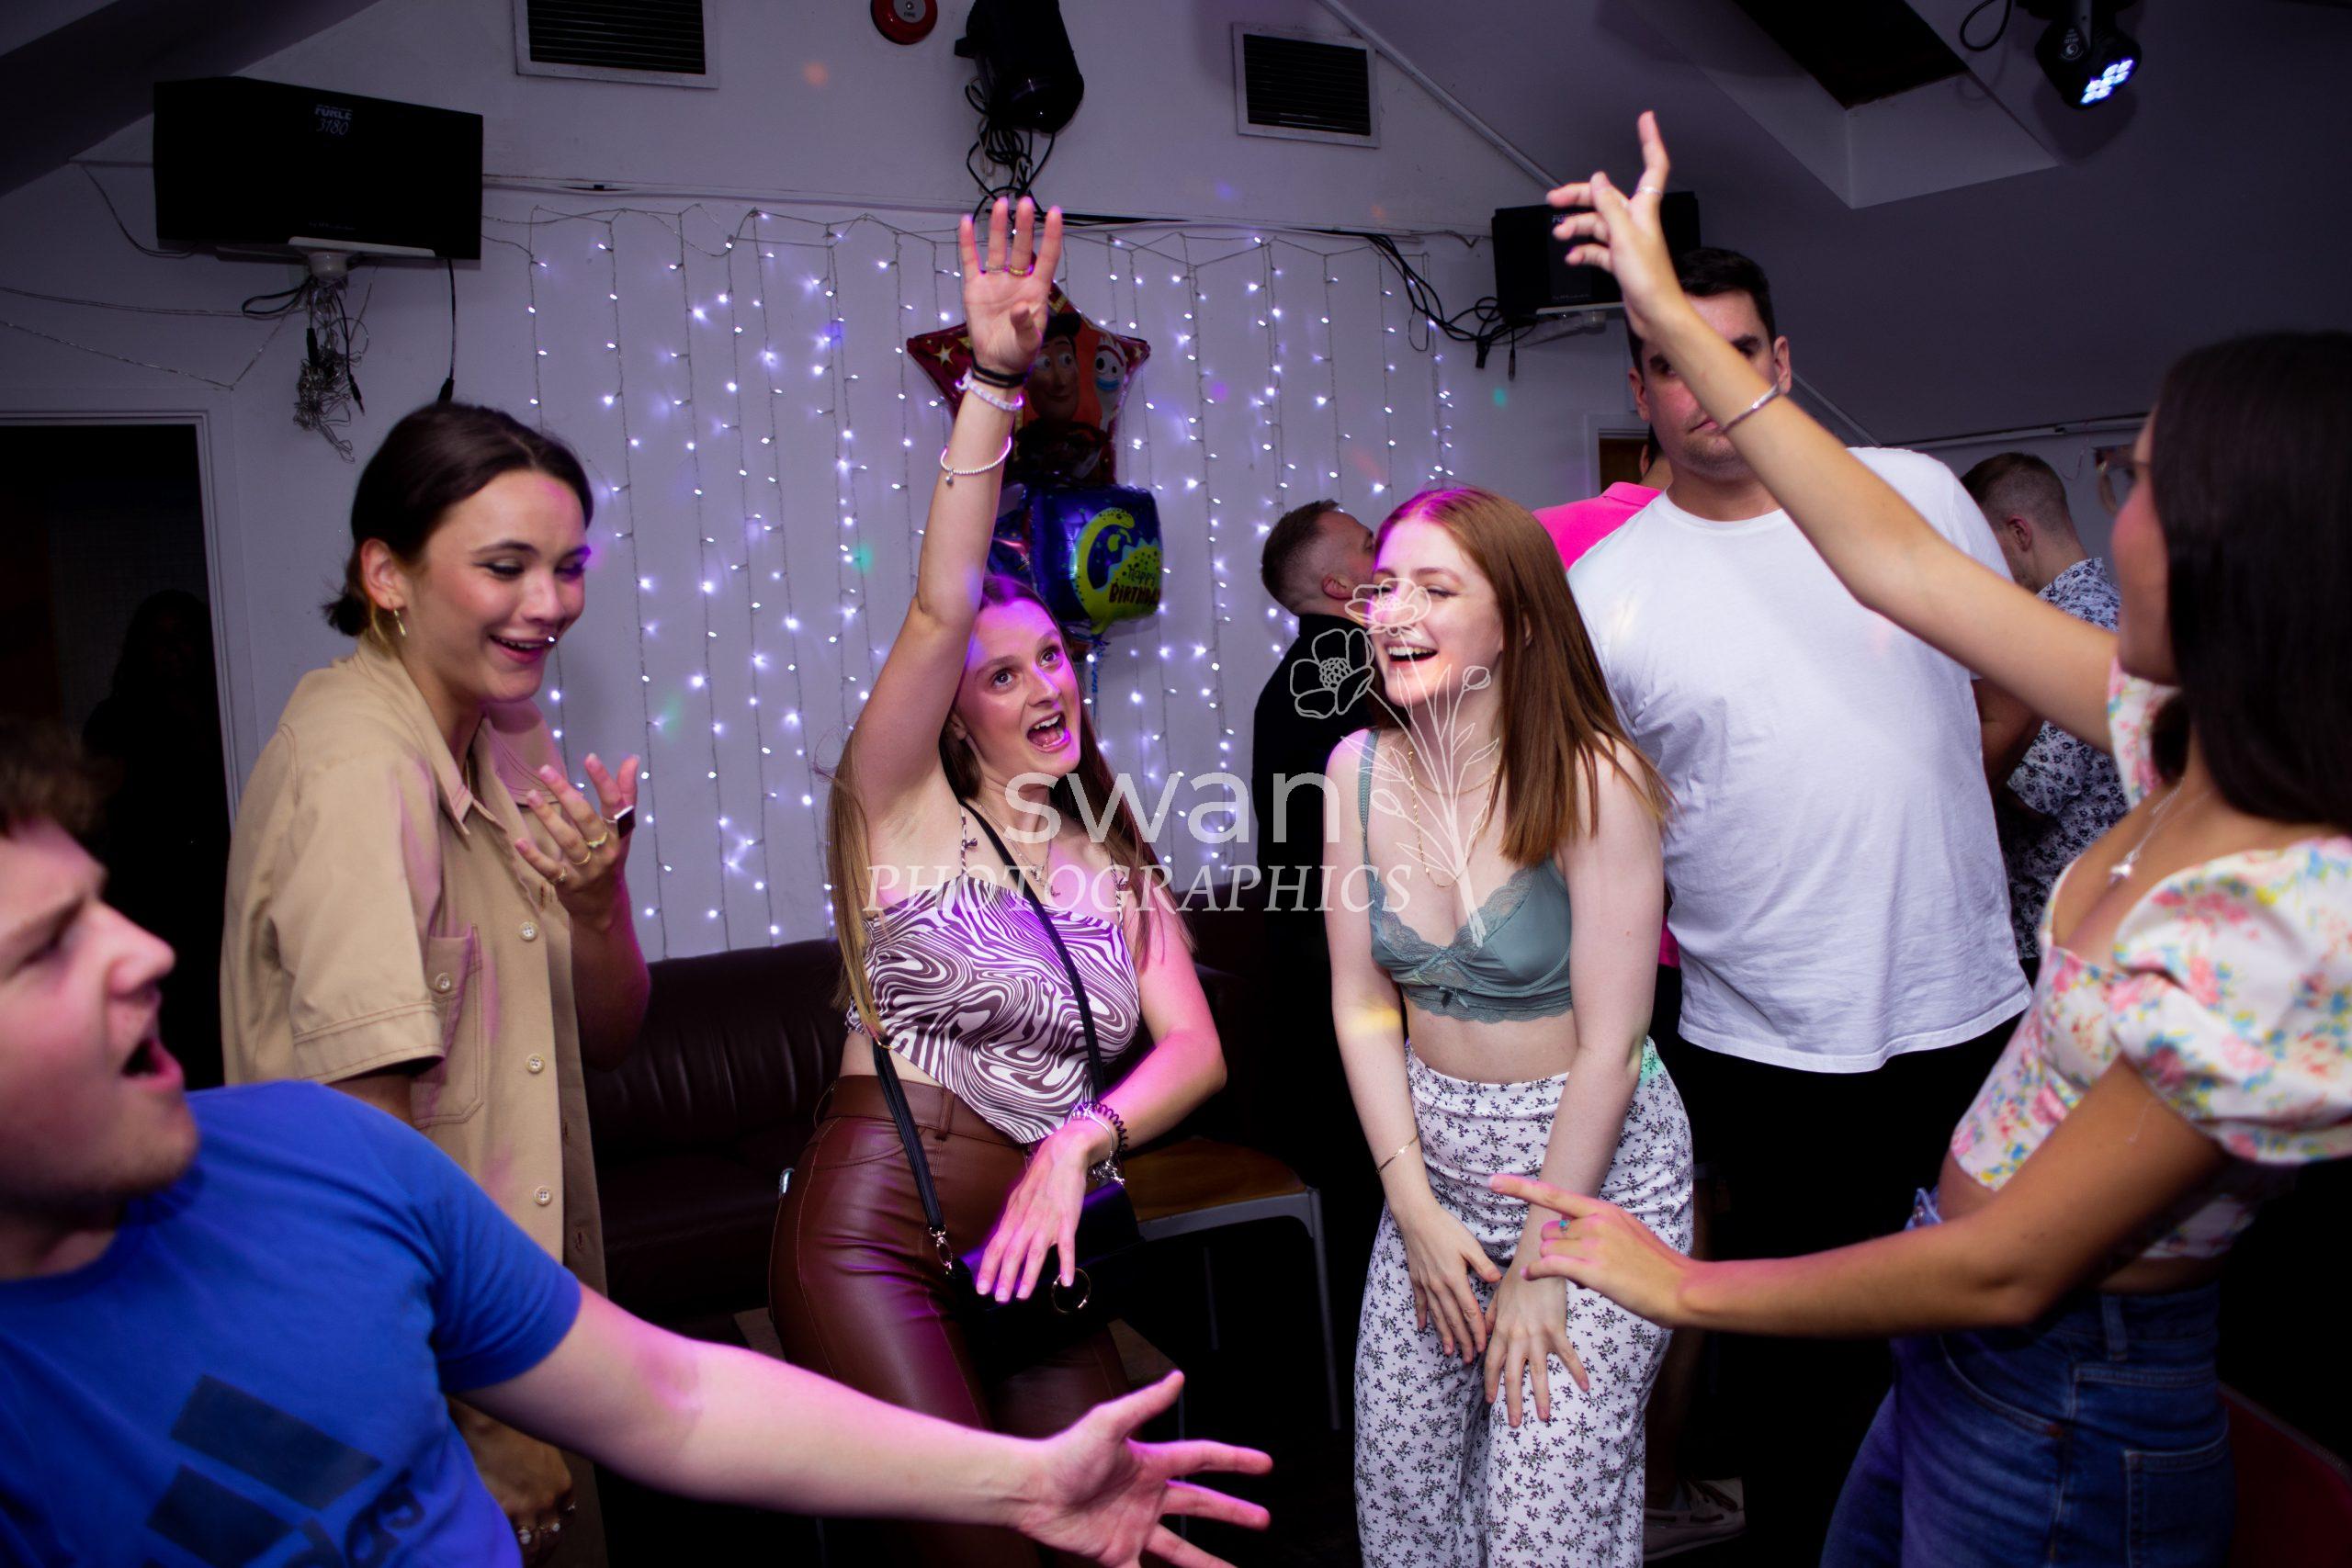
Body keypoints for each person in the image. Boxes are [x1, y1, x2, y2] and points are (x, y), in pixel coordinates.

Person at [1508, 111, 2352, 1568]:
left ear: (2245, 547)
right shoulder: (2184, 729)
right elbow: (1892, 558)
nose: (2111, 521)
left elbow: (2011, 1268)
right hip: (1955, 1367)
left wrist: (1680, 1283)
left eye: (2141, 483)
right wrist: (1666, 312)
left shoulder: (2292, 906)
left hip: (2065, 1403)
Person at [0, 719, 1274, 1567]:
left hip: (1034, 1246)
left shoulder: (324, 1152)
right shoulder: (911, 830)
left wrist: (1026, 1480)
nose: (146, 951)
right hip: (892, 1207)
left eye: (102, 906)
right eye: (46, 946)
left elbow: (674, 1396)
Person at [773, 197, 1230, 1568]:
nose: (1046, 684)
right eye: (1003, 673)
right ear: (954, 715)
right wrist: (993, 381)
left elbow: (1196, 1046)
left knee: (1103, 1537)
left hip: (1044, 1244)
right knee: (979, 1553)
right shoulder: (898, 811)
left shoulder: (1112, 856)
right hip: (878, 1232)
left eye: (1053, 658)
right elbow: (940, 601)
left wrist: (1082, 1141)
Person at [1562, 240, 2030, 1555]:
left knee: (1999, 1358)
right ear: (1641, 389)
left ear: (1781, 359)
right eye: (1672, 361)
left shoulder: (1911, 493)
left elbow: (2010, 684)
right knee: (1805, 1397)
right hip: (1765, 1043)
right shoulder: (1605, 592)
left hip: (1968, 1012)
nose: (1706, 385)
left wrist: (1922, 822)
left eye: (1733, 352)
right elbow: (1606, 828)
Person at [220, 401, 650, 1558]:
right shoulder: (359, 767)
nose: (548, 603)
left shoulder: (506, 742)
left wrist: (598, 904)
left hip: (523, 1332)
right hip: (423, 1376)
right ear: (386, 575)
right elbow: (361, 1150)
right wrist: (480, 1419)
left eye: (568, 567)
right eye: (505, 567)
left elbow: (608, 1038)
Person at [1324, 486, 1692, 1567]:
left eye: (1436, 590)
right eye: (1385, 588)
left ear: (1518, 624)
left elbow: (1610, 1047)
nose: (1396, 613)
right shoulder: (1354, 772)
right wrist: (1412, 1209)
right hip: (1430, 1179)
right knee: (1407, 1507)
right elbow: (1360, 1003)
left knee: (1540, 1522)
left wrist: (1540, 1262)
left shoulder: (1592, 778)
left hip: (1590, 1185)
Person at [1249, 498, 1382, 1361]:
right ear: (1340, 585)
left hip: (1307, 966)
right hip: (1359, 968)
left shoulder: (1288, 683)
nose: (1386, 551)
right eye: (1369, 545)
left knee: (1356, 1186)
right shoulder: (1360, 667)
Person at [1961, 452, 2130, 977]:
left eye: (1982, 547)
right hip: (2075, 919)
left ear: (2018, 532)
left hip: (2064, 929)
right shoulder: (2104, 612)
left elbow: (2033, 792)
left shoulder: (2075, 628)